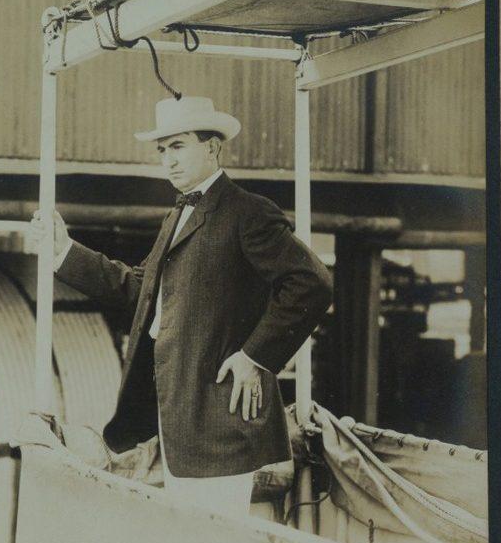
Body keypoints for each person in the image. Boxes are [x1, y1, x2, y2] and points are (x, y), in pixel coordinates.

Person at [31, 96, 333, 517]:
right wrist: (66, 252)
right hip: (178, 425)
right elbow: (142, 293)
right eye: (161, 150)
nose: (168, 161)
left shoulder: (247, 211)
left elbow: (312, 283)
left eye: (179, 146)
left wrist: (255, 356)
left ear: (212, 147)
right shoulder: (177, 218)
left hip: (220, 427)